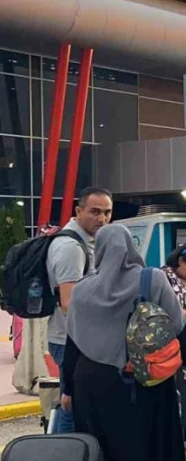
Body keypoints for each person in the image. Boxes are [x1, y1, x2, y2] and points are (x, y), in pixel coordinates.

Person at [62, 224, 186, 461]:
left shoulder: (82, 289)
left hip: (92, 383)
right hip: (145, 379)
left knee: (107, 457)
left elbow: (73, 344)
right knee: (154, 450)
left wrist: (67, 389)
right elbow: (177, 328)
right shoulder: (151, 278)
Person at [46, 186, 111, 434]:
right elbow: (68, 303)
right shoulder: (70, 248)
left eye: (107, 212)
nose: (102, 219)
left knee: (78, 405)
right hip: (69, 341)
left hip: (76, 339)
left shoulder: (86, 242)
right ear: (78, 211)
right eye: (94, 212)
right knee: (71, 405)